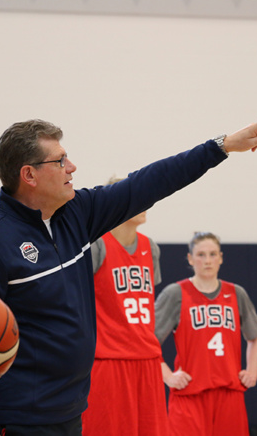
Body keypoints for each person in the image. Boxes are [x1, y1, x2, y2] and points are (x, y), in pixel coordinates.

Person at [0, 113, 257, 436]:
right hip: (19, 419)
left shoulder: (76, 214)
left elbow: (149, 182)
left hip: (71, 410)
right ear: (29, 175)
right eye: (60, 160)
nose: (72, 167)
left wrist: (222, 146)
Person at [154, 231, 257, 436]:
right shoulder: (176, 293)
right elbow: (147, 341)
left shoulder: (236, 293)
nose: (207, 261)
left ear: (221, 258)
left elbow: (256, 336)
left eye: (213, 254)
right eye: (201, 255)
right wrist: (168, 376)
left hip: (229, 393)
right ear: (190, 258)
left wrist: (252, 371)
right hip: (190, 394)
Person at [82, 177, 167, 436]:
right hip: (109, 361)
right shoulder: (96, 244)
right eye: (134, 196)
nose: (144, 202)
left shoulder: (150, 247)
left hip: (148, 358)